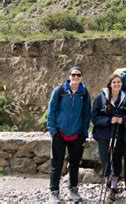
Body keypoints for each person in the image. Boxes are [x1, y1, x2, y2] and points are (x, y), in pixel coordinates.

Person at [47, 66, 91, 203]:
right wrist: (53, 131)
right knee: (57, 163)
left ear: (82, 77)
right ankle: (54, 192)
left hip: (77, 134)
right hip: (60, 132)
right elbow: (51, 111)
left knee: (74, 164)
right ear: (69, 76)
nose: (76, 77)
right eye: (73, 75)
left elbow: (86, 114)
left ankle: (73, 190)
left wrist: (84, 133)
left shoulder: (84, 93)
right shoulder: (60, 91)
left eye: (78, 75)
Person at [91, 74, 126, 201]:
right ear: (110, 84)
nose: (117, 84)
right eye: (114, 82)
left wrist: (122, 119)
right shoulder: (100, 98)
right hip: (104, 135)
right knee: (106, 162)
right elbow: (94, 117)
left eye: (119, 82)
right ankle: (108, 187)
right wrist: (109, 120)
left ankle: (113, 186)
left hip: (118, 135)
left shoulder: (125, 98)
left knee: (117, 162)